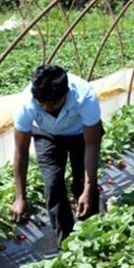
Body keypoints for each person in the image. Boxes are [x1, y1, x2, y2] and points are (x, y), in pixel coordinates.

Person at [11, 64, 103, 243]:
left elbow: (91, 144)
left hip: (80, 134)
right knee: (53, 184)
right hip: (47, 135)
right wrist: (20, 197)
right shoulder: (26, 104)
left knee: (83, 183)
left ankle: (92, 238)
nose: (47, 107)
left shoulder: (85, 97)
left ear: (66, 93)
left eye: (53, 103)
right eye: (42, 103)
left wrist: (88, 189)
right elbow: (21, 151)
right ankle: (66, 242)